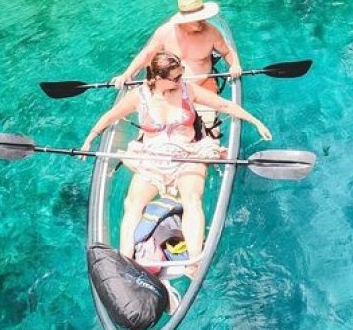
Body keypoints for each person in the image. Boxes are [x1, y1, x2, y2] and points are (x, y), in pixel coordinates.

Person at [81, 51, 272, 262]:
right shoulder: (138, 96)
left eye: (181, 74)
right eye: (176, 77)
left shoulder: (187, 90)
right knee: (132, 202)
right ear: (157, 78)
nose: (182, 80)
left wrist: (256, 122)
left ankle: (194, 260)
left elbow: (224, 105)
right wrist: (90, 137)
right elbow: (110, 116)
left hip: (188, 154)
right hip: (152, 158)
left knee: (191, 199)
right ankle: (125, 259)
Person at [112, 0, 242, 93]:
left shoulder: (211, 32)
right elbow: (147, 54)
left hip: (201, 84)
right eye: (198, 19)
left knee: (211, 126)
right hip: (168, 87)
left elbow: (227, 51)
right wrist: (127, 74)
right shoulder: (165, 32)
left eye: (203, 17)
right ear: (184, 20)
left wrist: (235, 65)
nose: (204, 21)